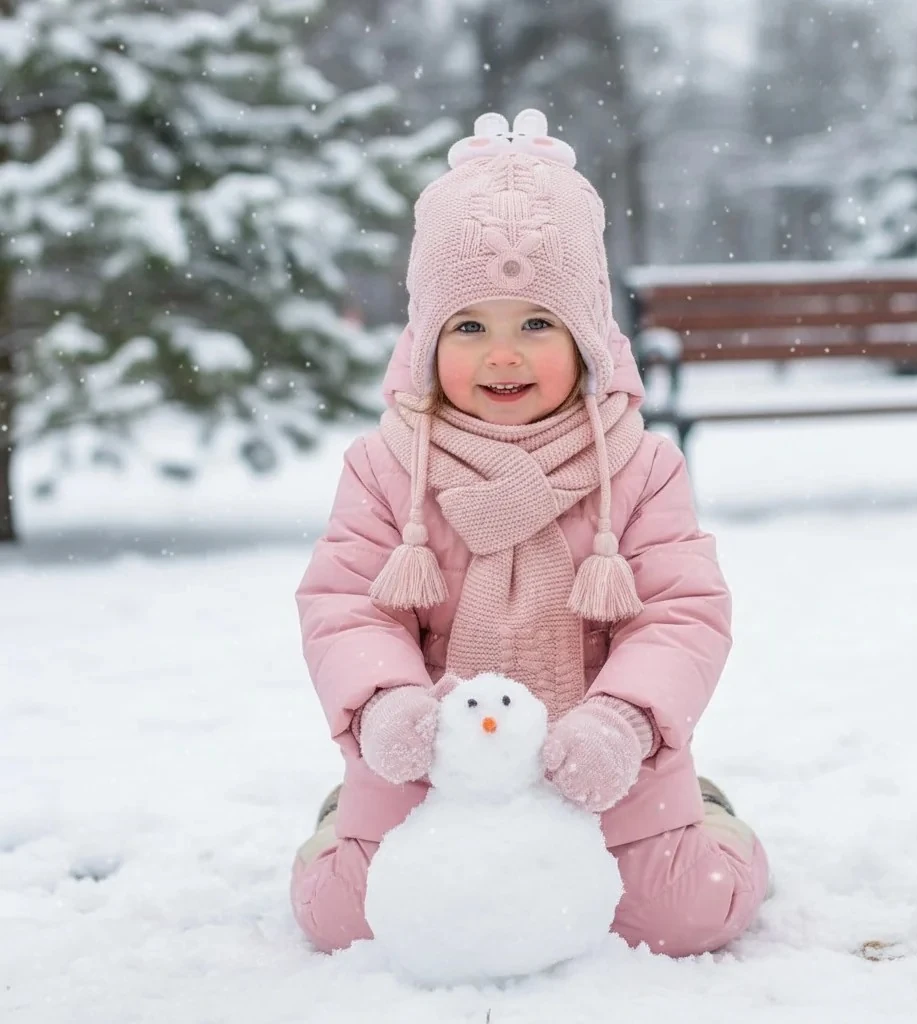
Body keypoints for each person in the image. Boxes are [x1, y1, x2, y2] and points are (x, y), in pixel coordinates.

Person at [291, 110, 770, 959]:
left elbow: (681, 612)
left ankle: (709, 810)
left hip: (597, 747)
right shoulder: (386, 466)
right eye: (469, 326)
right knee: (353, 922)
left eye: (536, 325)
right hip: (433, 747)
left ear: (587, 342)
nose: (502, 355)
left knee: (681, 917)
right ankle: (344, 816)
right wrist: (384, 706)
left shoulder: (641, 466)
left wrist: (624, 723)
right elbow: (348, 608)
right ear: (426, 342)